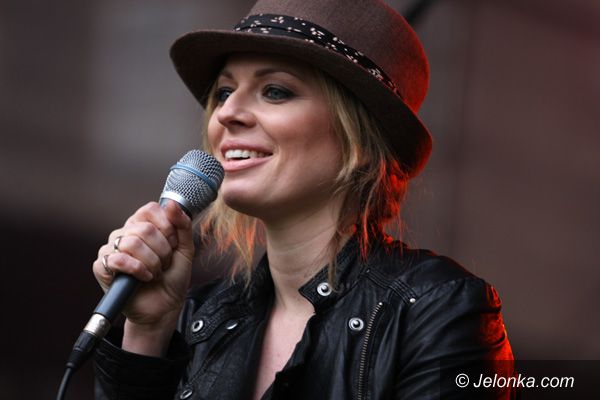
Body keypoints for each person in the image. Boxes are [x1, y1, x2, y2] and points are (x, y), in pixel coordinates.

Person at [92, 0, 515, 399]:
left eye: (275, 91)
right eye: (223, 92)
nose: (226, 113)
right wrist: (147, 335)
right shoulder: (197, 319)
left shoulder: (439, 310)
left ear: (360, 137)